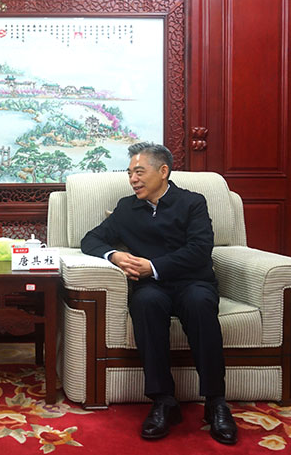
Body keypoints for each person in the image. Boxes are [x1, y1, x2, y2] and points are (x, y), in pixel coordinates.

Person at [80, 142, 237, 445]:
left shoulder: (192, 203)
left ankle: (216, 402)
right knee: (146, 302)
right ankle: (163, 400)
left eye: (139, 172)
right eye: (129, 173)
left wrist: (153, 266)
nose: (133, 179)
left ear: (163, 171)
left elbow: (199, 250)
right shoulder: (127, 208)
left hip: (193, 282)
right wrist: (114, 255)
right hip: (151, 287)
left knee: (200, 303)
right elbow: (91, 239)